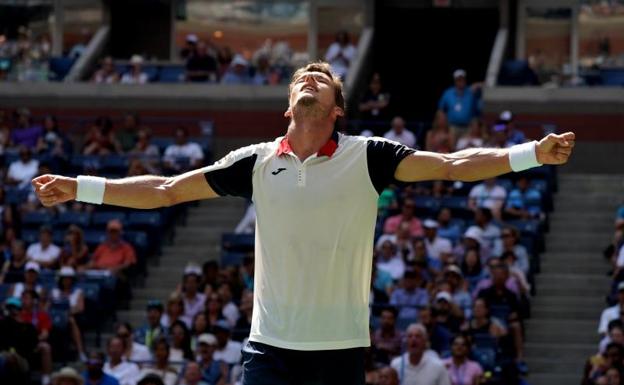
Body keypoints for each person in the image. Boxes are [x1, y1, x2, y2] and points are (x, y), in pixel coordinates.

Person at [32, 61, 575, 385]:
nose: (311, 77)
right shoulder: (256, 162)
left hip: (339, 351)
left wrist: (531, 153)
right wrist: (80, 187)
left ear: (338, 108)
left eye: (323, 78)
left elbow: (455, 165)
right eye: (302, 78)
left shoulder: (370, 156)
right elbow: (168, 190)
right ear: (289, 105)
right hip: (269, 349)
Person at [437, 69, 480, 136]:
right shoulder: (448, 93)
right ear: (455, 80)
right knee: (452, 145)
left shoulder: (471, 92)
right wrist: (443, 127)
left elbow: (476, 112)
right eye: (458, 79)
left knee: (466, 146)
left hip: (468, 127)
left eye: (462, 79)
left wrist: (477, 84)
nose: (460, 81)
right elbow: (441, 110)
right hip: (452, 127)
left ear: (465, 80)